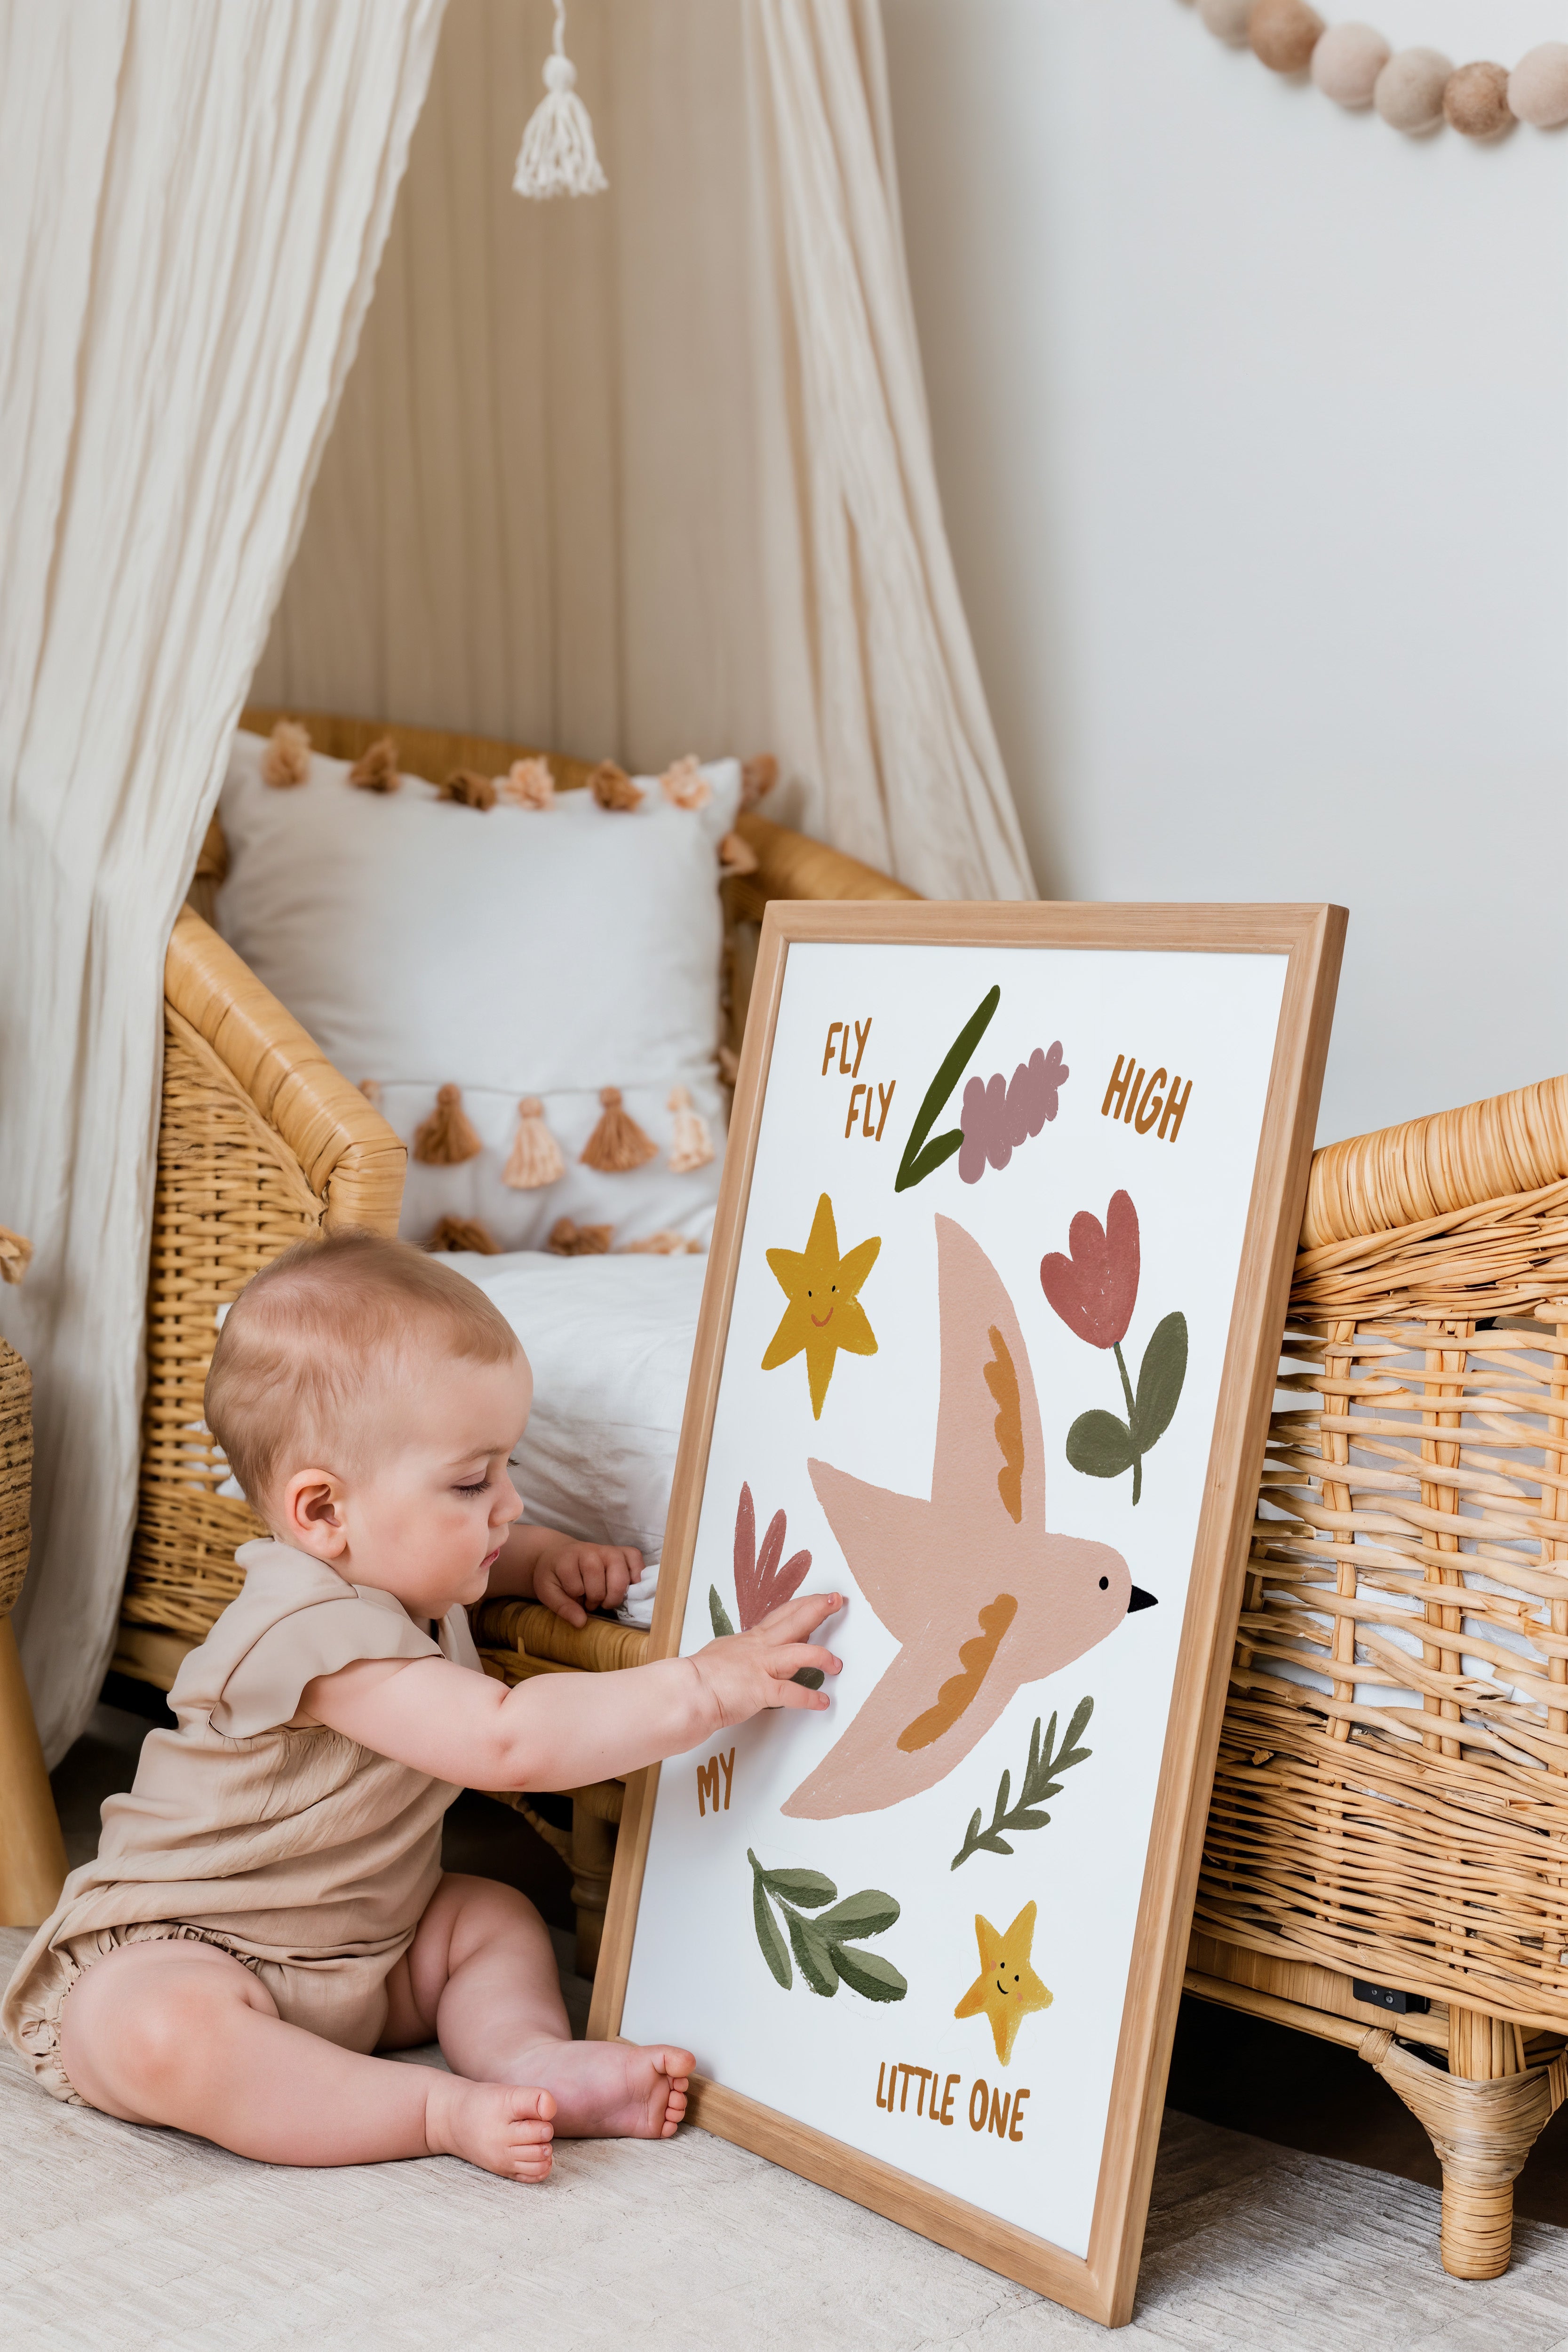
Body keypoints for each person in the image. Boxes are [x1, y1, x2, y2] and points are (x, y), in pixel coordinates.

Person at [1, 1231, 841, 2182]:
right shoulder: (302, 1629)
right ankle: (436, 2108)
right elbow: (506, 1739)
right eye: (473, 1482)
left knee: (490, 1918)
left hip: (374, 1947)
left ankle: (526, 2058)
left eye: (508, 1471)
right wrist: (702, 1683)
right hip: (199, 1943)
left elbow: (456, 1550)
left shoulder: (396, 1574)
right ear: (321, 1513)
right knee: (153, 2030)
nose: (508, 1503)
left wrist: (538, 1557)